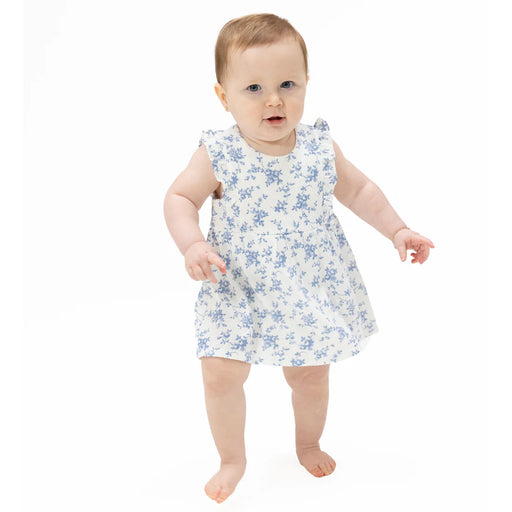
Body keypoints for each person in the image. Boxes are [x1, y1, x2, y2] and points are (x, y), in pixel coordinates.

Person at [163, 12, 435, 504]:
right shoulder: (219, 152)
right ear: (223, 96)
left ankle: (308, 442)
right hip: (236, 283)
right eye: (253, 88)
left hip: (307, 283)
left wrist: (397, 229)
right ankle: (232, 459)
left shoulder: (317, 146)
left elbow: (360, 191)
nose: (274, 99)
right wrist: (193, 244)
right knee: (220, 371)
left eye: (287, 84)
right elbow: (180, 198)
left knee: (309, 374)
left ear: (307, 82)